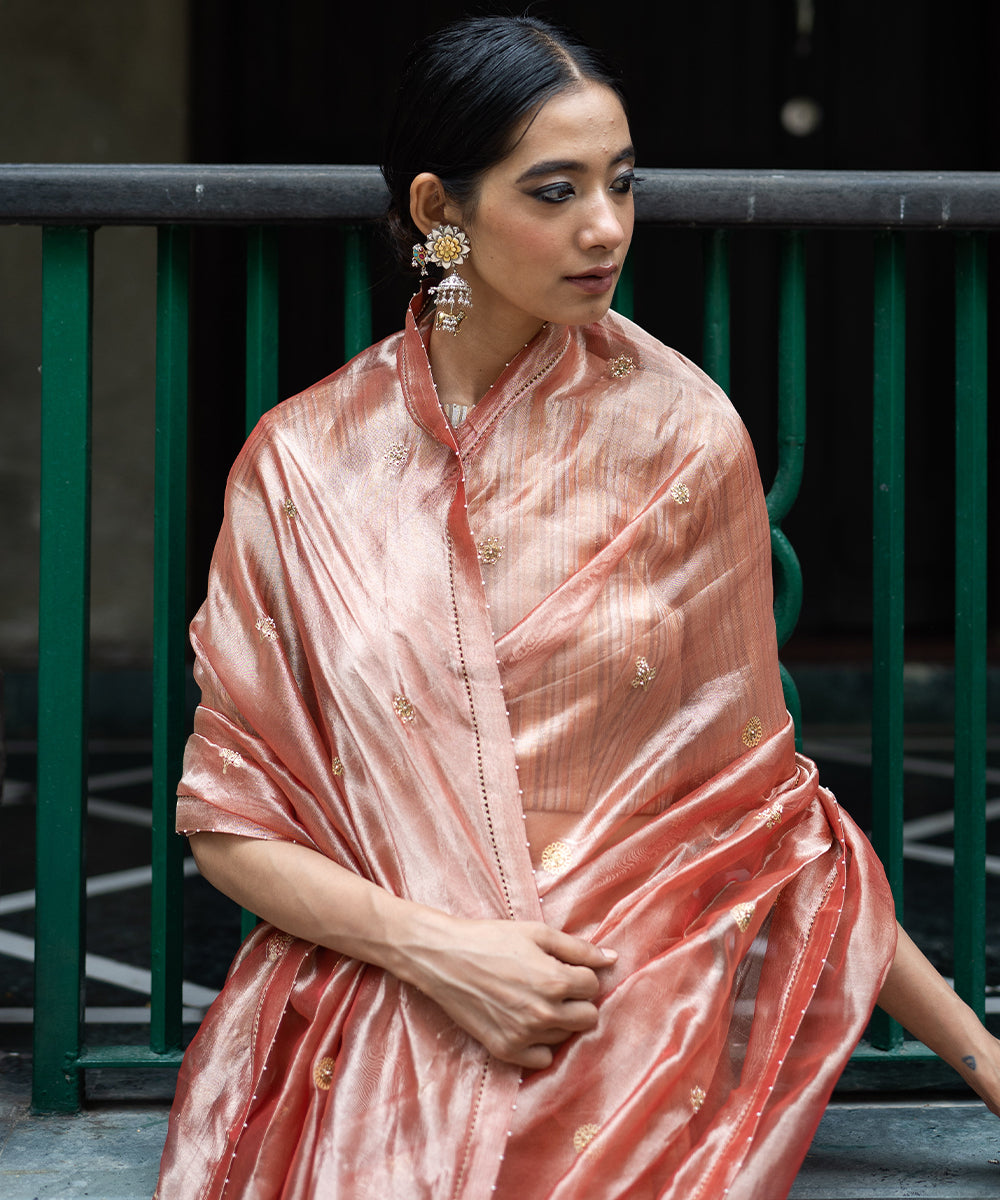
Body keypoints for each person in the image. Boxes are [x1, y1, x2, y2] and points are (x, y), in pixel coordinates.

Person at [155, 14, 1000, 1199]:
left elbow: (768, 817)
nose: (604, 228)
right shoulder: (303, 463)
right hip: (386, 983)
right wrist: (448, 957)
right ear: (441, 211)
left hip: (623, 1008)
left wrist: (986, 1062)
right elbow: (230, 819)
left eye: (619, 183)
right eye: (553, 192)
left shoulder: (681, 435)